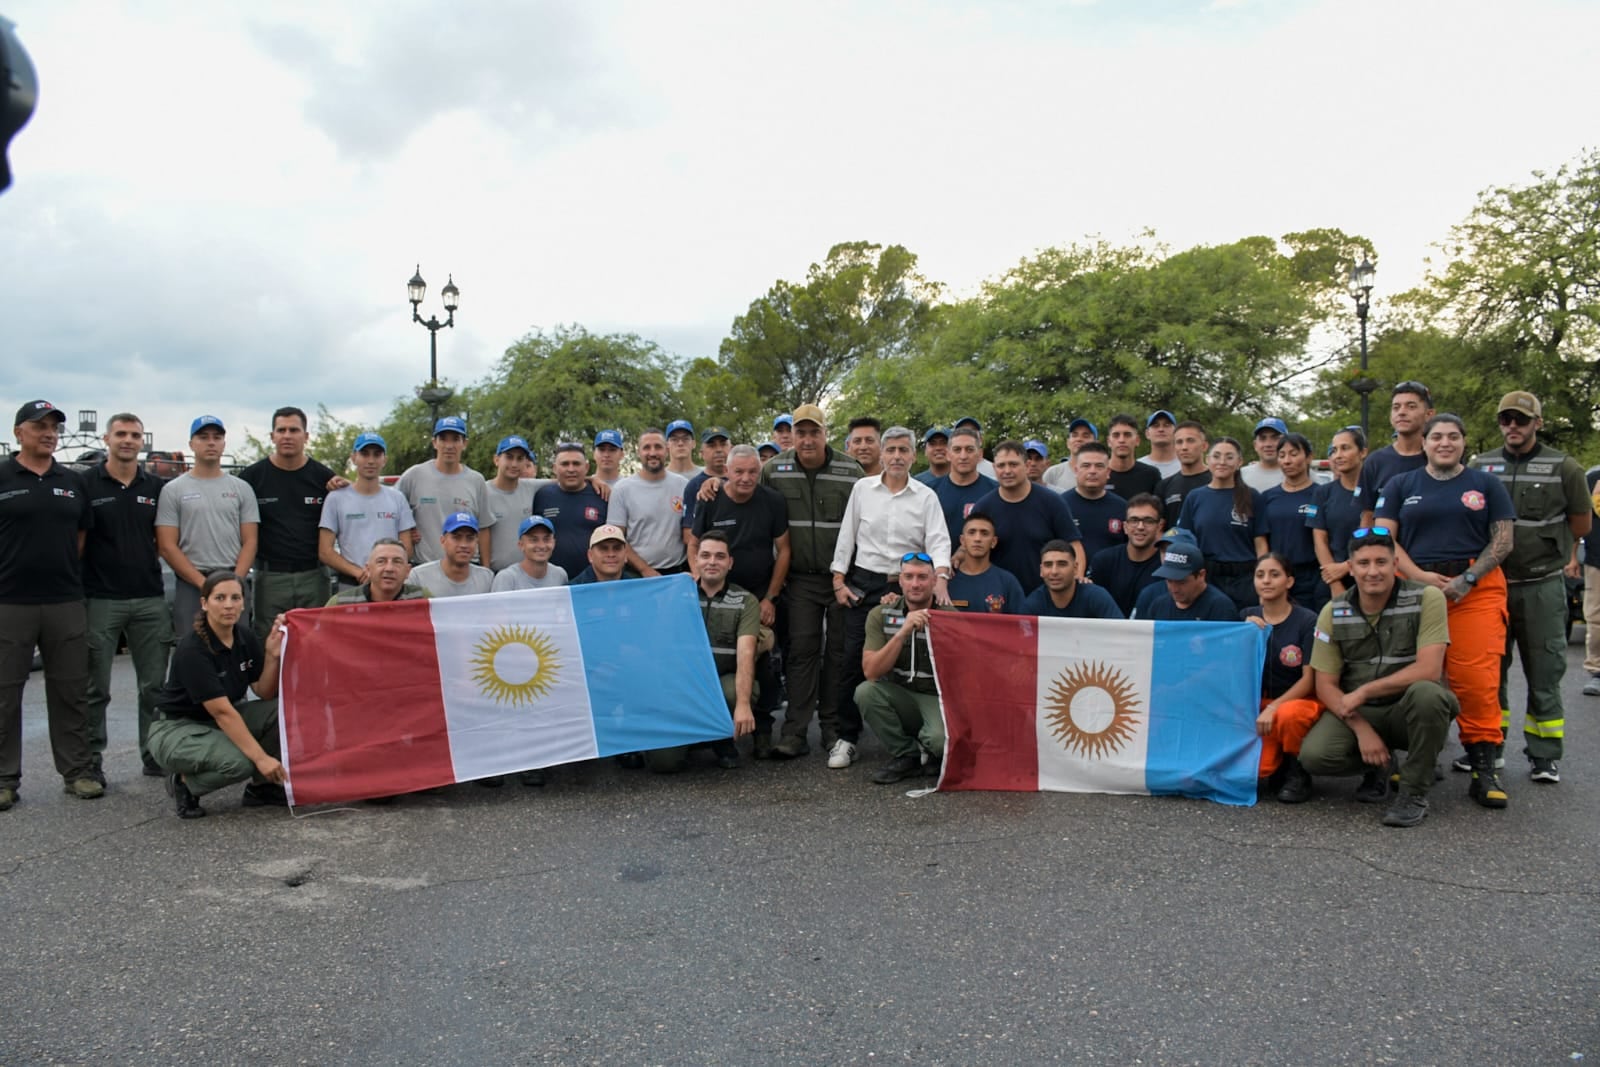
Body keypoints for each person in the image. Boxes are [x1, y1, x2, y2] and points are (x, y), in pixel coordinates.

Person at [1375, 413, 1514, 809]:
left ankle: (1483, 768)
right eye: (1437, 437)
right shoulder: (1401, 484)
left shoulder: (1485, 484)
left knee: (1477, 680)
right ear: (1424, 443)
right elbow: (1384, 537)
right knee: (1414, 675)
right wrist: (1417, 575)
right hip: (1416, 588)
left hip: (1476, 589)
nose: (1445, 443)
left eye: (1453, 436)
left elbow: (1503, 542)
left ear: (1463, 443)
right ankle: (1421, 759)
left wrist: (1467, 580)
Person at [1294, 527, 1458, 827]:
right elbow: (1325, 685)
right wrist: (1361, 729)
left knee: (1429, 695)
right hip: (1360, 711)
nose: (1373, 571)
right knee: (1315, 757)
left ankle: (1413, 791)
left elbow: (1429, 669)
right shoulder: (1333, 611)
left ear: (1395, 566)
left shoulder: (1427, 598)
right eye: (1364, 563)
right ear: (1351, 568)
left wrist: (1365, 691)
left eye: (1381, 562)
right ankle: (1379, 765)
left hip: (1407, 707)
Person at [1468, 391, 1589, 784]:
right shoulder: (1480, 466)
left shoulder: (1564, 467)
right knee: (1489, 674)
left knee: (1545, 671)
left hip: (1541, 586)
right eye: (1506, 419)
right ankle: (1491, 748)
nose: (1513, 427)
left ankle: (1544, 755)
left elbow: (1581, 524)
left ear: (1538, 422)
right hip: (1493, 587)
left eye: (1521, 419)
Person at [828, 426, 952, 770]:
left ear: (914, 455)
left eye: (904, 450)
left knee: (908, 658)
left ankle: (917, 736)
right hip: (864, 582)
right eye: (891, 450)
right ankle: (847, 738)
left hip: (907, 584)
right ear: (882, 454)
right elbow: (847, 534)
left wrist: (940, 578)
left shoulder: (926, 496)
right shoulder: (862, 489)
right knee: (853, 661)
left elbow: (939, 540)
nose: (897, 456)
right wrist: (839, 579)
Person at [0, 399, 101, 809]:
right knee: (5, 692)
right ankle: (4, 778)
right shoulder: (3, 476)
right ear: (18, 432)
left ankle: (77, 772)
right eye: (38, 425)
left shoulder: (72, 481)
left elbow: (80, 539)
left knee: (71, 689)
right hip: (9, 602)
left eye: (53, 426)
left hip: (64, 600)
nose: (48, 432)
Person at [760, 403, 863, 758]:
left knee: (838, 652)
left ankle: (833, 729)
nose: (807, 440)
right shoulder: (774, 470)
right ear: (792, 434)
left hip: (841, 578)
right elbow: (754, 504)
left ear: (825, 433)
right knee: (801, 652)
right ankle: (795, 732)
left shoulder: (851, 470)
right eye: (800, 432)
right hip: (799, 580)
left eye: (813, 432)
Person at [147, 571, 287, 819]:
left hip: (215, 722)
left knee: (279, 711)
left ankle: (262, 789)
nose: (228, 605)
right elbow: (223, 713)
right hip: (176, 729)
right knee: (241, 762)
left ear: (244, 603)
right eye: (219, 598)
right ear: (204, 603)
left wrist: (272, 656)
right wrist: (262, 758)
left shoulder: (244, 636)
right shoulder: (193, 649)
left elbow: (263, 692)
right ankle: (183, 783)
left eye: (235, 598)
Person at [82, 411, 172, 779]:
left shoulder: (155, 488)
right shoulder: (86, 484)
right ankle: (89, 762)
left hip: (149, 598)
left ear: (141, 441)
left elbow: (164, 541)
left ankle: (153, 754)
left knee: (153, 686)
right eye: (120, 433)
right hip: (100, 598)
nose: (128, 440)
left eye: (135, 435)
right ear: (107, 439)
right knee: (94, 687)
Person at [692, 444, 792, 757]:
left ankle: (762, 731)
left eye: (752, 472)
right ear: (727, 472)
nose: (746, 478)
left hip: (759, 597)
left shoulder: (772, 501)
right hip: (716, 593)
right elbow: (694, 543)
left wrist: (771, 598)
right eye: (739, 472)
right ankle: (715, 734)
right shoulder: (710, 498)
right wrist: (697, 586)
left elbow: (784, 549)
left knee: (763, 662)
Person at [644, 532, 755, 774]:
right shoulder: (675, 594)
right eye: (705, 556)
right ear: (695, 560)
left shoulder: (745, 601)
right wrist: (672, 590)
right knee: (664, 764)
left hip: (720, 682)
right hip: (680, 688)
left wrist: (744, 704)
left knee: (735, 694)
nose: (712, 562)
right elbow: (657, 647)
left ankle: (721, 740)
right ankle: (692, 739)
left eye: (720, 556)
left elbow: (745, 655)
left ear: (730, 563)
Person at [239, 406, 340, 639]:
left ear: (305, 436)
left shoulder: (324, 478)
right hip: (270, 579)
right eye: (281, 430)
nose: (287, 435)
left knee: (316, 642)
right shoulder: (251, 478)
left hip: (314, 577)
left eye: (294, 430)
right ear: (272, 436)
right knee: (269, 643)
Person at [156, 415, 259, 641]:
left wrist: (234, 583)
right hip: (193, 585)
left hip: (233, 578)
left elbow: (250, 541)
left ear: (224, 443)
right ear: (192, 444)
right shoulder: (173, 490)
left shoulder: (241, 489)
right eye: (203, 437)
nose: (211, 442)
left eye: (217, 437)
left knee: (235, 649)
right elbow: (167, 545)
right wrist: (206, 586)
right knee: (191, 650)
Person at [855, 553, 953, 784]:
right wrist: (903, 631)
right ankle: (907, 754)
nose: (915, 584)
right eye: (908, 577)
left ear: (933, 581)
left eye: (922, 577)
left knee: (938, 741)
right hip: (901, 695)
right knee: (865, 691)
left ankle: (930, 747)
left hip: (935, 698)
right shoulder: (881, 614)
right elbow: (871, 671)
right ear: (899, 581)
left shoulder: (949, 617)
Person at [1241, 553, 1323, 803]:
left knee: (1289, 717)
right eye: (1260, 575)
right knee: (1261, 770)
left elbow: (1309, 680)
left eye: (1274, 575)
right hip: (1258, 703)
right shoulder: (1246, 616)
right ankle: (1276, 764)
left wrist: (1276, 707)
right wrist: (1244, 634)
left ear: (1289, 581)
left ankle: (1297, 770)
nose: (1266, 581)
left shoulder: (1307, 621)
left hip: (1297, 701)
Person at [974, 440, 1084, 594]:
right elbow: (971, 552)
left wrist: (1077, 583)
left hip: (1047, 596)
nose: (1007, 471)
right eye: (1001, 465)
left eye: (1013, 464)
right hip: (998, 597)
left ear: (1026, 466)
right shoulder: (983, 507)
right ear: (994, 468)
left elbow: (1074, 545)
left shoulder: (1052, 502)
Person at [1176, 437, 1267, 612]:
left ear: (1239, 462)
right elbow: (1186, 542)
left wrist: (1262, 580)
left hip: (1245, 580)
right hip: (1208, 579)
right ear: (1208, 460)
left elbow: (1261, 544)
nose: (1222, 462)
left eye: (1229, 457)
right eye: (1216, 456)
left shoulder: (1252, 496)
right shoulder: (1195, 497)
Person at [318, 433, 417, 591]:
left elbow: (407, 547)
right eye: (364, 454)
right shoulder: (335, 498)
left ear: (384, 460)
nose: (370, 461)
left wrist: (385, 571)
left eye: (377, 455)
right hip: (351, 584)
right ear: (353, 458)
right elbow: (325, 551)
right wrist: (359, 572)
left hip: (390, 587)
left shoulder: (397, 498)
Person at [395, 416, 495, 566]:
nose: (449, 445)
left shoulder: (476, 480)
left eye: (455, 439)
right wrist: (407, 532)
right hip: (425, 568)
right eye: (443, 439)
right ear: (434, 442)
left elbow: (484, 528)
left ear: (464, 443)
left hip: (467, 568)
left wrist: (486, 569)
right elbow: (389, 506)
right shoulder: (414, 476)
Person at [607, 428, 690, 576]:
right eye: (647, 447)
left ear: (666, 450)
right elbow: (616, 538)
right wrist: (645, 569)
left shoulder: (683, 485)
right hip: (636, 574)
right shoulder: (622, 489)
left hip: (677, 572)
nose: (652, 453)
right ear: (639, 452)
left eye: (658, 447)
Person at [1259, 433, 1325, 609]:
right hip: (1277, 578)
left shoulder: (1321, 494)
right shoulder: (1267, 497)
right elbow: (1261, 541)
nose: (1287, 461)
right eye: (1282, 455)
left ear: (1309, 457)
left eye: (1294, 454)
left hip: (1311, 579)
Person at [1359, 381, 1434, 525]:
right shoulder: (1375, 461)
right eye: (1396, 407)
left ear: (1429, 414)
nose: (1402, 412)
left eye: (1411, 406)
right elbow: (1368, 515)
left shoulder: (1439, 459)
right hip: (1386, 544)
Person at [532, 441, 609, 577]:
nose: (571, 469)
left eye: (576, 464)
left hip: (593, 579)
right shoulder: (542, 495)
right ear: (554, 468)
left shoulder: (602, 495)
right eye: (565, 464)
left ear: (586, 467)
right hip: (552, 579)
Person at [1309, 427, 1367, 601]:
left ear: (1362, 452)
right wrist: (1334, 583)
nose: (1338, 455)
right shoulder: (1323, 493)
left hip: (1369, 578)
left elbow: (1379, 536)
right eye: (1334, 450)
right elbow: (1320, 539)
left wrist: (1348, 565)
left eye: (1345, 448)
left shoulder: (1377, 490)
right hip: (1332, 579)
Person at [1087, 494, 1166, 617]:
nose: (1140, 527)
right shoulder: (1103, 561)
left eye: (1148, 521)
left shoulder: (1166, 565)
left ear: (1159, 526)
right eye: (1134, 520)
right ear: (1125, 526)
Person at [484, 435, 552, 573]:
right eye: (509, 457)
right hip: (494, 574)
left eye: (520, 458)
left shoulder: (530, 486)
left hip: (527, 574)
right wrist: (485, 571)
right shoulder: (483, 491)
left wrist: (593, 480)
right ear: (496, 460)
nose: (514, 464)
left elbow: (565, 481)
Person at [1132, 538, 1239, 621]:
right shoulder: (1159, 606)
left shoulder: (1220, 608)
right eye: (1169, 580)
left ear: (1201, 575)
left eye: (1181, 582)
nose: (1174, 588)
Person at [930, 425, 997, 545]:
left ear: (980, 454)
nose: (963, 456)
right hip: (940, 562)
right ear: (948, 454)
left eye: (970, 450)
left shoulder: (995, 491)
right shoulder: (930, 491)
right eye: (957, 450)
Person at [947, 512, 1025, 614]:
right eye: (972, 532)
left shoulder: (1007, 582)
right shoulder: (947, 580)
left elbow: (1022, 624)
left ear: (993, 542)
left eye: (984, 533)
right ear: (962, 541)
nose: (977, 539)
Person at [1022, 540, 1123, 619]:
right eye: (1048, 565)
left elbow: (1121, 633)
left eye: (1062, 564)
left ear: (1075, 568)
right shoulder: (1033, 604)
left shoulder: (1096, 597)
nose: (1054, 571)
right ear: (1041, 570)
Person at [1064, 442, 1128, 562]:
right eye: (1086, 466)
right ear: (1076, 470)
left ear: (1108, 472)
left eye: (1099, 466)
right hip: (1072, 579)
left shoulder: (1122, 507)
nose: (1092, 471)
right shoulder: (1060, 505)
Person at [409, 512, 495, 597]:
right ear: (443, 541)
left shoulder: (486, 578)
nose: (463, 545)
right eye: (456, 537)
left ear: (476, 542)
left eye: (470, 538)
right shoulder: (418, 577)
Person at [326, 538, 429, 605]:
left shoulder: (422, 598)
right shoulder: (340, 603)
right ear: (368, 569)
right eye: (381, 561)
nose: (389, 568)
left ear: (407, 571)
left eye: (397, 562)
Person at [681, 426, 731, 552]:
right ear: (701, 453)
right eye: (712, 445)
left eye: (723, 444)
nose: (719, 450)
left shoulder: (743, 481)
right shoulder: (694, 486)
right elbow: (688, 535)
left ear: (731, 448)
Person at [1154, 420, 1210, 528]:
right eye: (1179, 442)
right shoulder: (1164, 486)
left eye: (1190, 441)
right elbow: (1159, 528)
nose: (1184, 447)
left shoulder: (1217, 481)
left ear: (1204, 446)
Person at [491, 516, 569, 591]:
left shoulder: (560, 575)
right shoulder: (507, 578)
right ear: (521, 545)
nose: (541, 546)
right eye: (534, 540)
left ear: (554, 543)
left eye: (546, 539)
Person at [1098, 414, 1161, 500]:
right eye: (1116, 435)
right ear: (1109, 441)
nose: (1121, 440)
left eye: (1127, 435)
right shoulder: (1097, 473)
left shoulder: (1151, 475)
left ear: (1137, 440)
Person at [569, 524, 641, 585]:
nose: (611, 554)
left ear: (625, 555)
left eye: (617, 548)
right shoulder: (572, 591)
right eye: (603, 549)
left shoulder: (638, 589)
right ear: (590, 555)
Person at [1040, 418, 1097, 490]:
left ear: (1096, 444)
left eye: (1085, 436)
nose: (1079, 439)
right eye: (1074, 435)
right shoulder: (1053, 473)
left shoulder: (1102, 474)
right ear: (1068, 443)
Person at [1583, 463, 1600, 698]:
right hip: (1597, 559)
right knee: (1596, 618)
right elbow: (1579, 516)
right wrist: (1572, 557)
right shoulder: (1592, 477)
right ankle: (1597, 670)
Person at [1241, 417, 1288, 491]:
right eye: (1262, 438)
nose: (1268, 444)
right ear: (1255, 445)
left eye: (1275, 438)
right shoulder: (1240, 476)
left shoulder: (1303, 476)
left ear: (1287, 442)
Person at [1139, 410, 1181, 478]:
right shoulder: (1137, 467)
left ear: (1176, 432)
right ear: (1147, 434)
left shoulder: (1187, 465)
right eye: (1156, 426)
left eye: (1167, 425)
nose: (1161, 429)